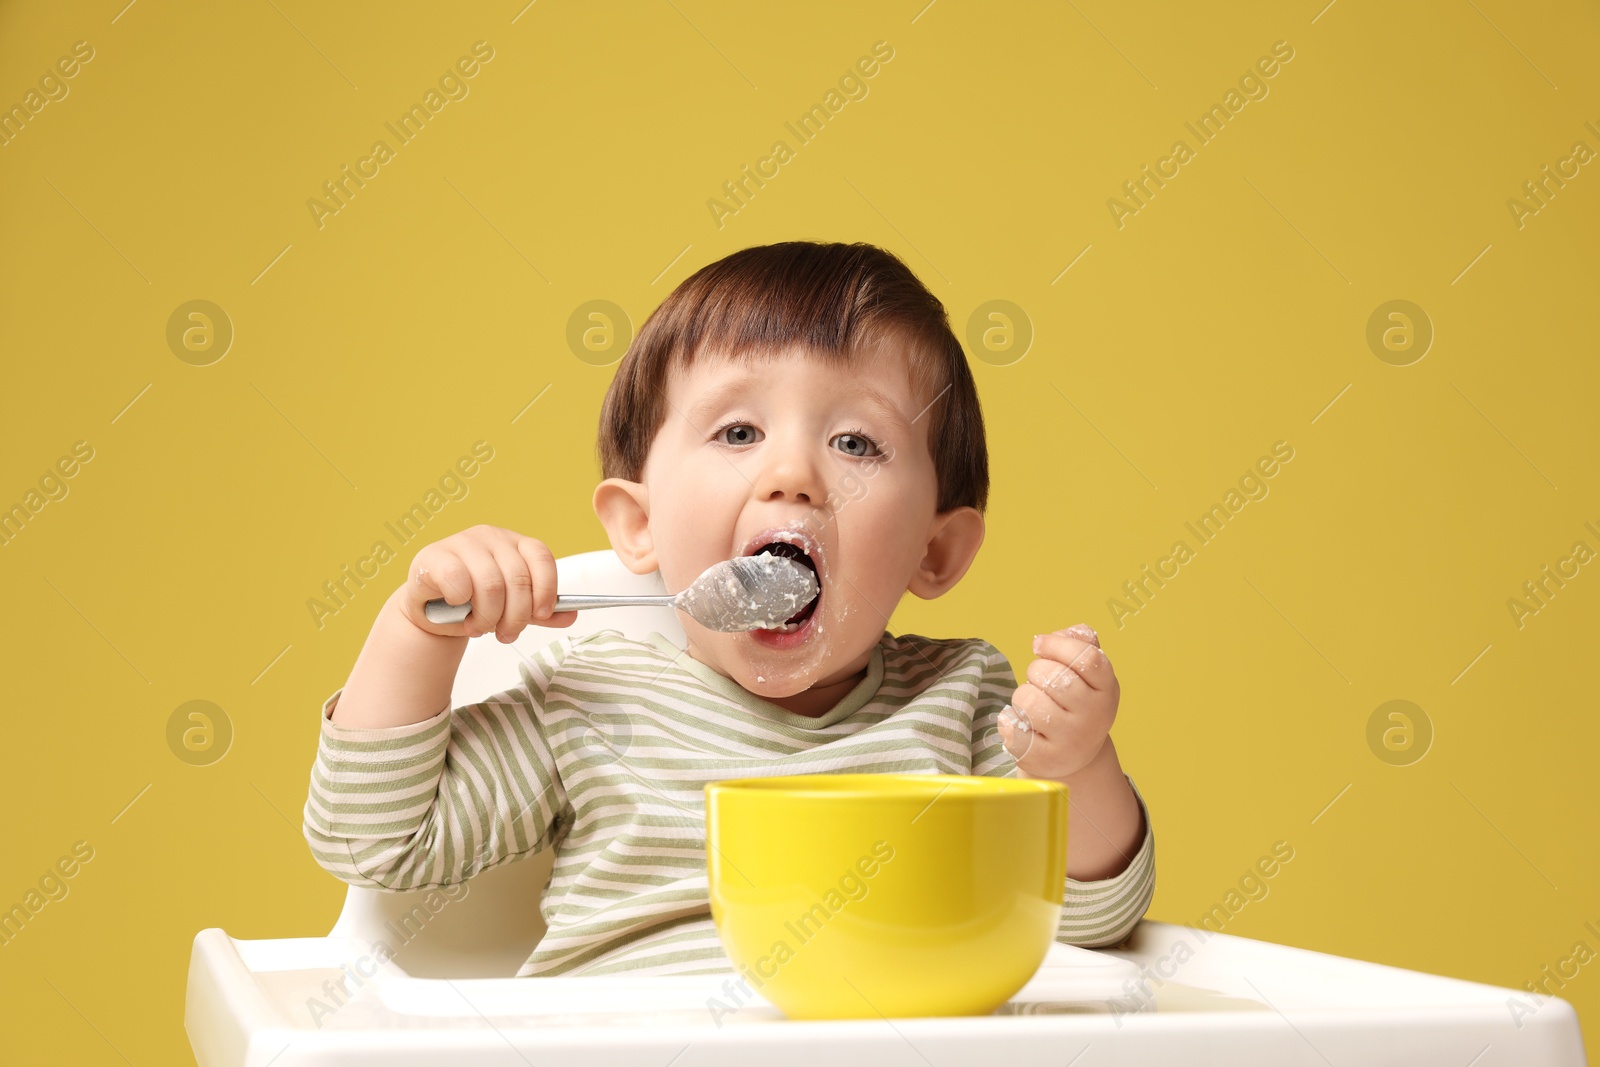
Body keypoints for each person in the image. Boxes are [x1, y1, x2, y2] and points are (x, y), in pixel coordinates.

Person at [301, 241, 1154, 977]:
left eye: (856, 442)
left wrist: (1077, 763)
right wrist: (417, 631)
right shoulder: (593, 703)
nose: (794, 473)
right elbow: (375, 843)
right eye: (739, 432)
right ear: (639, 525)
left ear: (935, 549)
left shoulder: (960, 700)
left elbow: (1088, 921)